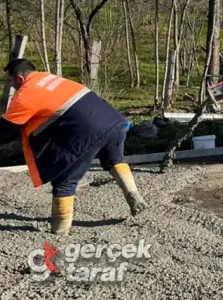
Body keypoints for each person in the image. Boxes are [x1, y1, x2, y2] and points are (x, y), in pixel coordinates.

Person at [0, 59, 152, 235]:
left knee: (64, 180)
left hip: (86, 131)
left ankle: (60, 230)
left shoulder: (26, 93)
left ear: (20, 78)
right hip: (113, 122)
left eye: (10, 80)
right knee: (114, 160)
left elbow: (6, 130)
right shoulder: (52, 79)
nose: (11, 85)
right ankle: (132, 192)